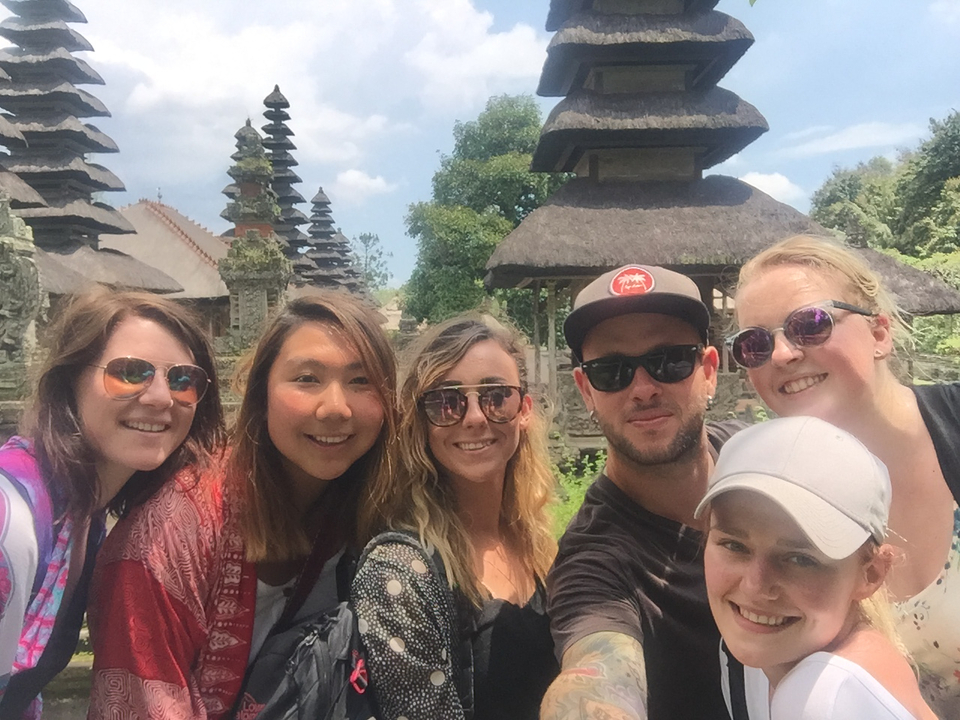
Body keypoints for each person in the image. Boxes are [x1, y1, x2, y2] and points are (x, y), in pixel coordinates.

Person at [86, 293, 397, 719]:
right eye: (307, 379)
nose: (336, 408)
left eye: (361, 382)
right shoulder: (165, 542)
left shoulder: (374, 505)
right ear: (260, 391)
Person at [730, 234, 960, 716]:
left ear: (879, 333)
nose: (782, 355)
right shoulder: (774, 499)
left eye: (809, 324)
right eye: (754, 343)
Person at [0, 288, 224, 719]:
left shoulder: (86, 514)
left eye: (182, 380)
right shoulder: (14, 521)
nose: (161, 398)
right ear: (71, 384)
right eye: (129, 373)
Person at [540, 264, 746, 720]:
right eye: (611, 371)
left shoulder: (755, 457)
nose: (643, 389)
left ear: (708, 370)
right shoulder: (595, 563)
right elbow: (597, 670)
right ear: (586, 390)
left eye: (669, 360)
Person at [352, 315, 558, 720]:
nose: (476, 417)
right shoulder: (398, 573)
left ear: (525, 410)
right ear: (423, 422)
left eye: (496, 396)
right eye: (447, 402)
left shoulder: (537, 544)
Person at [697, 415, 936, 720]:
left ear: (871, 573)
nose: (755, 586)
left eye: (800, 559)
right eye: (734, 545)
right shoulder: (756, 656)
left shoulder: (825, 699)